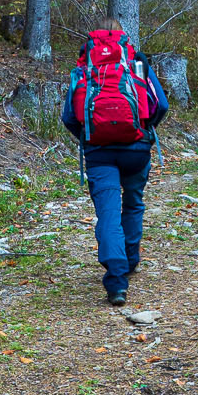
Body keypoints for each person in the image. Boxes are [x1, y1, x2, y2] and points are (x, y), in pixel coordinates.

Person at [62, 29, 169, 305]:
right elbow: (162, 105)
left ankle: (117, 282)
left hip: (99, 153)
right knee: (133, 204)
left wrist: (89, 137)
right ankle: (131, 259)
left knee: (108, 213)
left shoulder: (84, 67)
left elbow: (69, 117)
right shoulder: (137, 62)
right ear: (124, 39)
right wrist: (144, 129)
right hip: (136, 149)